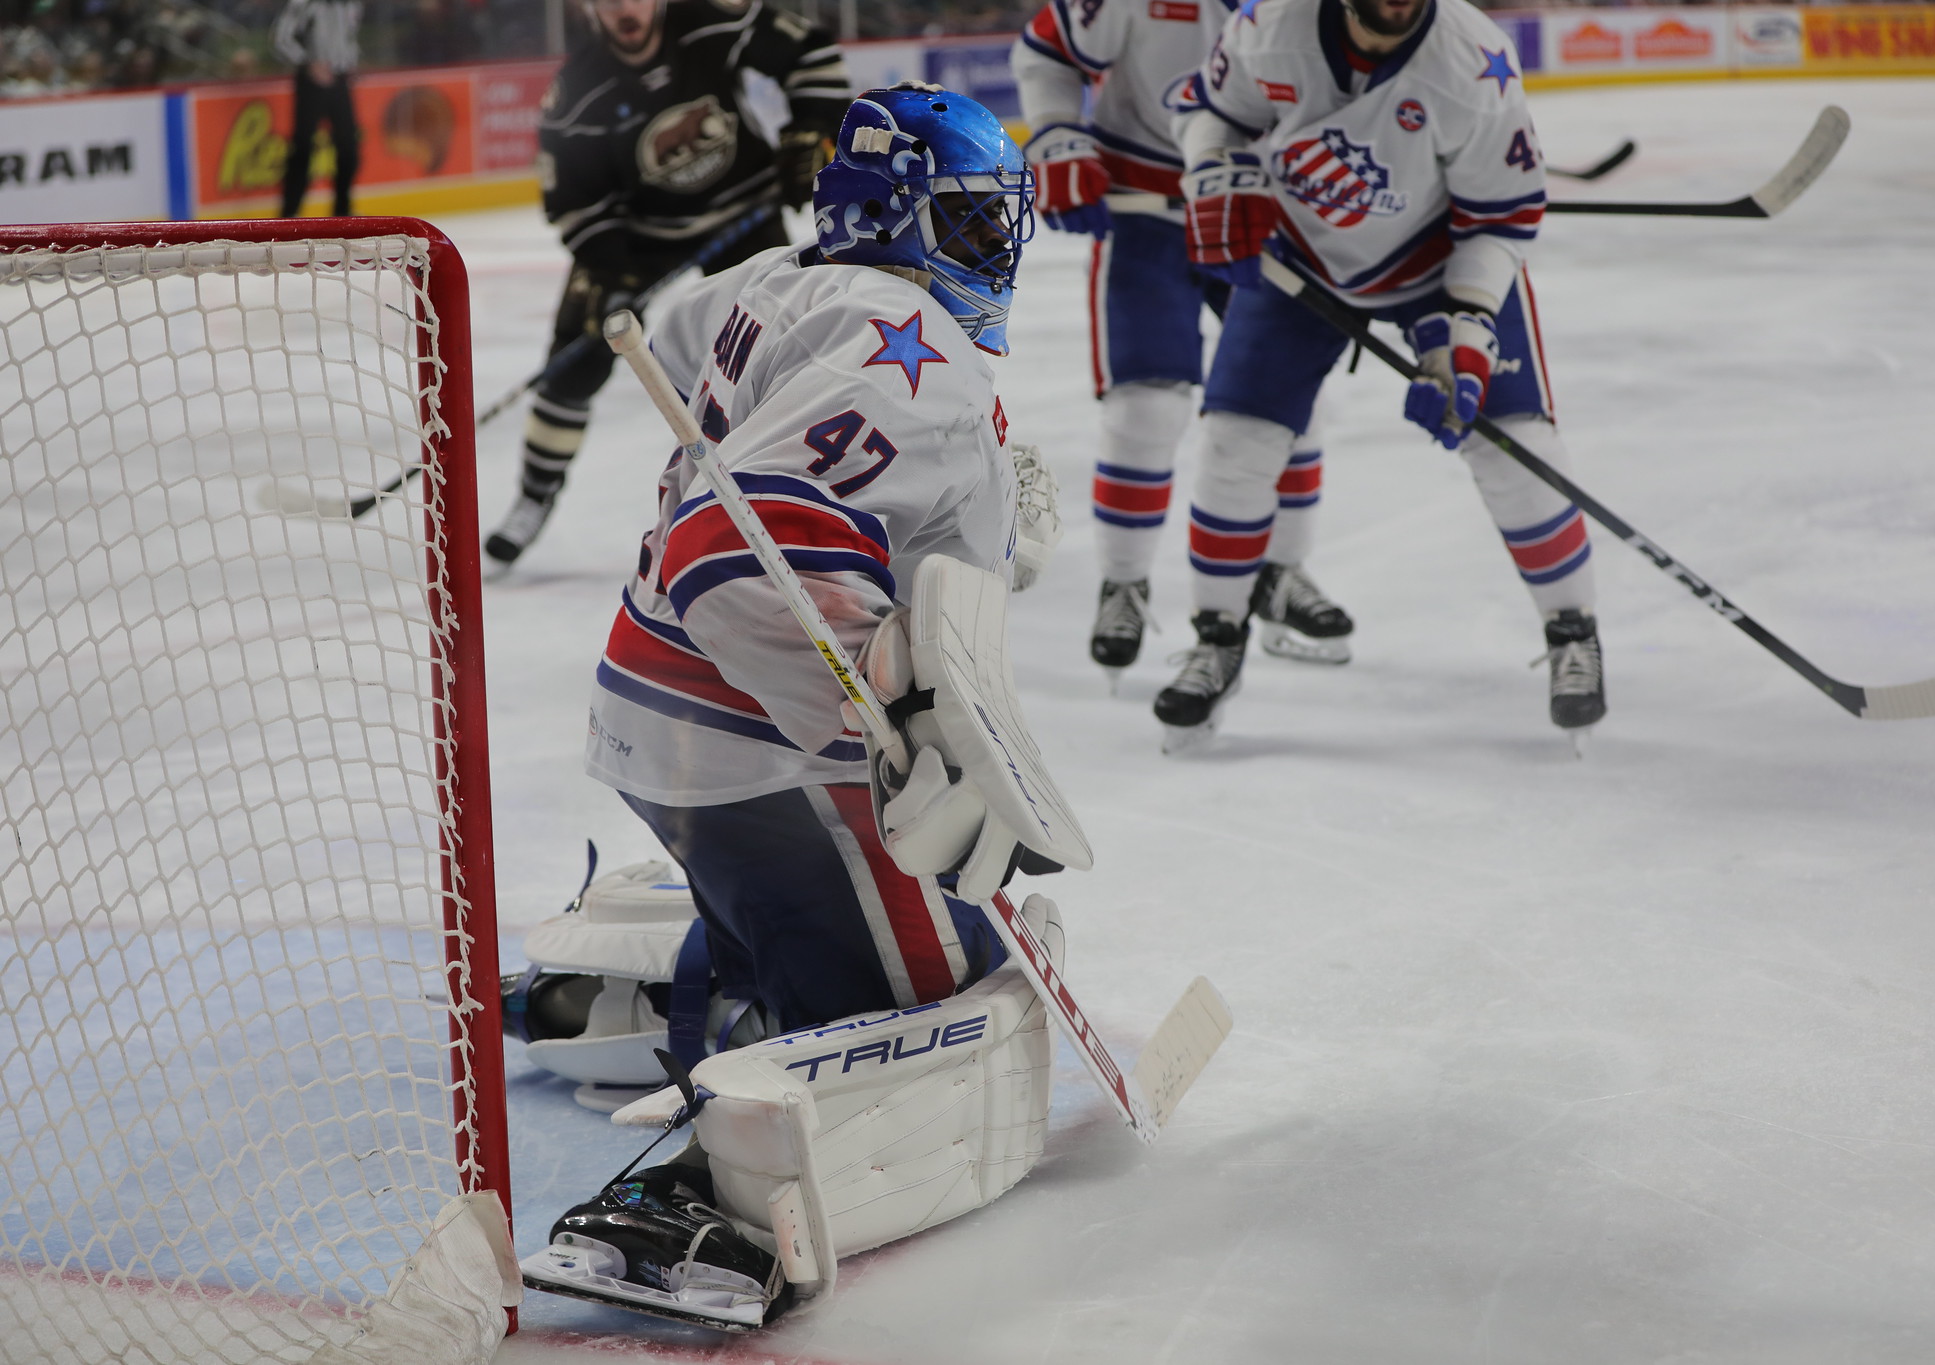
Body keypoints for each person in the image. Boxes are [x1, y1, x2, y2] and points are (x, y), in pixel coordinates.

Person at [517, 86, 1077, 1332]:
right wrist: (879, 718)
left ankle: (646, 1001)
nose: (996, 254)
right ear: (899, 218)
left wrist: (974, 527)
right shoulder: (912, 350)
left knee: (792, 905)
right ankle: (692, 1200)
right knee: (946, 1002)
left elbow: (684, 357)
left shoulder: (775, 275)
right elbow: (736, 545)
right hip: (763, 741)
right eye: (972, 226)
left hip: (654, 708)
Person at [1155, 0, 1603, 739]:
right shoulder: (1270, 27)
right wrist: (1214, 170)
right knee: (1235, 444)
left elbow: (1498, 221)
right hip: (1299, 258)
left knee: (1511, 446)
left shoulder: (1473, 63)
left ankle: (1572, 629)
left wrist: (1468, 327)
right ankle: (1216, 636)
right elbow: (1209, 110)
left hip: (1437, 267)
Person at [1010, 0, 1355, 676]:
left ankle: (1280, 572)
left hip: (1260, 215)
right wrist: (1056, 131)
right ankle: (1125, 583)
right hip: (1148, 218)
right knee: (1147, 407)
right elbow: (1047, 51)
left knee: (1290, 407)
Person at [483, 0, 852, 567]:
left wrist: (813, 128)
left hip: (742, 216)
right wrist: (611, 269)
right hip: (639, 236)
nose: (624, 8)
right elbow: (576, 202)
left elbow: (811, 54)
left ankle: (809, 487)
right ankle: (533, 498)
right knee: (576, 358)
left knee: (784, 350)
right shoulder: (575, 92)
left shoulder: (711, 20)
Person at [273, 0, 362, 218]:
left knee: (348, 148)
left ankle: (343, 211)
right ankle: (289, 214)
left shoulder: (350, 4)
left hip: (341, 80)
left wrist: (352, 61)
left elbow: (350, 35)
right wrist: (307, 63)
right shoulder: (303, 3)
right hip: (311, 81)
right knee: (303, 147)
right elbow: (281, 38)